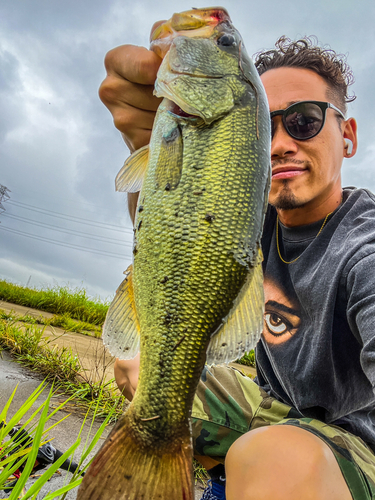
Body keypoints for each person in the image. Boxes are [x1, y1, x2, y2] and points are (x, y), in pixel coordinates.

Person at [99, 28, 375, 500]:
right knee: (142, 368)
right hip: (277, 412)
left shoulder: (363, 245)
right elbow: (169, 231)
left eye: (305, 121)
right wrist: (150, 147)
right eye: (266, 125)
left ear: (346, 136)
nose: (281, 143)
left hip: (361, 448)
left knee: (271, 458)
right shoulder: (244, 215)